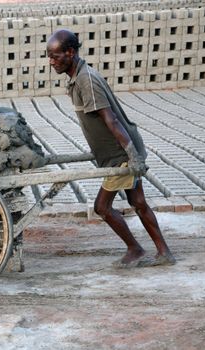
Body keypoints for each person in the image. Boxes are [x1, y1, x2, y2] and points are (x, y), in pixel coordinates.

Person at [47, 29, 175, 268]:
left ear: (71, 52)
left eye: (56, 56)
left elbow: (111, 120)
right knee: (138, 203)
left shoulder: (86, 80)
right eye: (49, 56)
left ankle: (135, 249)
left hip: (121, 156)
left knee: (102, 207)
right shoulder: (77, 77)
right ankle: (164, 252)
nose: (51, 62)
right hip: (118, 152)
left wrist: (132, 156)